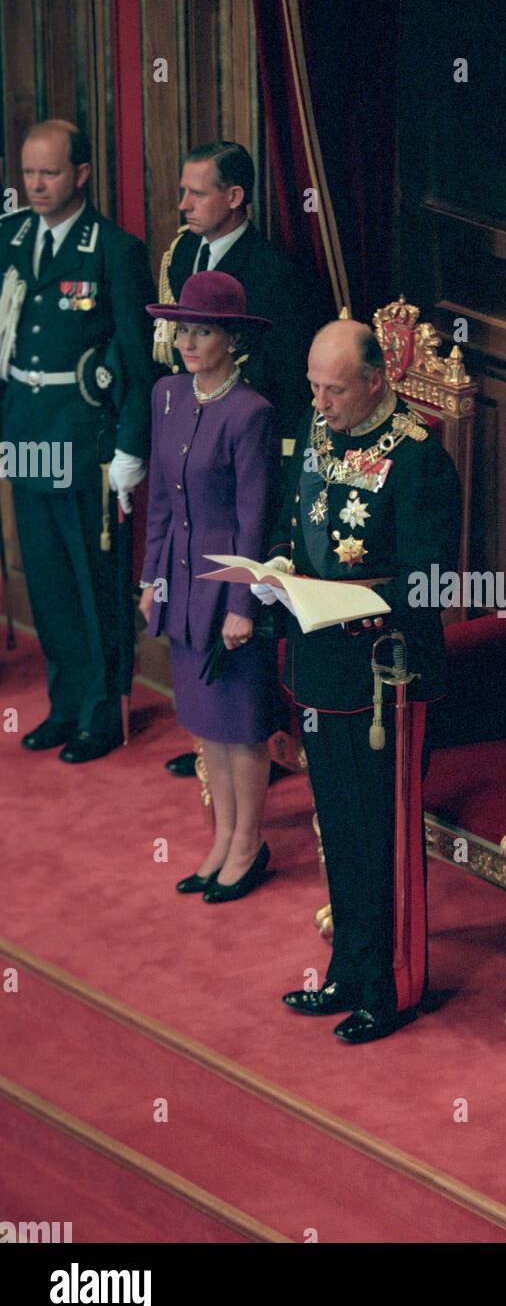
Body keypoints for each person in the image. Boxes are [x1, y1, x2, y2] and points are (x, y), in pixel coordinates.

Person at [255, 319, 462, 1043]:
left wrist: (354, 602)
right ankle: (346, 968)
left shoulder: (418, 459)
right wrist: (279, 564)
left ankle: (393, 985)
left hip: (387, 677)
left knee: (384, 836)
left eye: (334, 388)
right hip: (317, 665)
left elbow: (430, 579)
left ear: (376, 381)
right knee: (338, 828)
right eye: (313, 385)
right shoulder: (313, 433)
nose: (321, 401)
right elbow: (289, 521)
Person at [155, 140, 328, 780]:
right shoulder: (188, 258)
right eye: (183, 191)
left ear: (235, 197)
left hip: (255, 461)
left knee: (250, 617)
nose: (183, 205)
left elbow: (290, 394)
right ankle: (214, 729)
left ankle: (261, 739)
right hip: (201, 459)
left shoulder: (276, 275)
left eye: (196, 193)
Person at [0, 119, 155, 763]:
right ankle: (66, 702)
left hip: (84, 439)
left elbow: (139, 362)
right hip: (24, 430)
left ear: (82, 175)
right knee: (47, 581)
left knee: (95, 580)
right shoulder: (8, 236)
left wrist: (131, 447)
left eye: (50, 173)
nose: (36, 185)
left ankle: (101, 708)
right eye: (29, 172)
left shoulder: (112, 250)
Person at [140, 272, 281, 902]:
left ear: (230, 338)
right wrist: (150, 580)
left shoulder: (251, 413)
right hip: (178, 578)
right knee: (204, 722)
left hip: (227, 587)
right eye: (181, 329)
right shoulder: (166, 395)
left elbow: (255, 516)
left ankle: (248, 844)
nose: (187, 341)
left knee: (240, 725)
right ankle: (223, 838)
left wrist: (242, 605)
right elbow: (162, 505)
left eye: (200, 330)